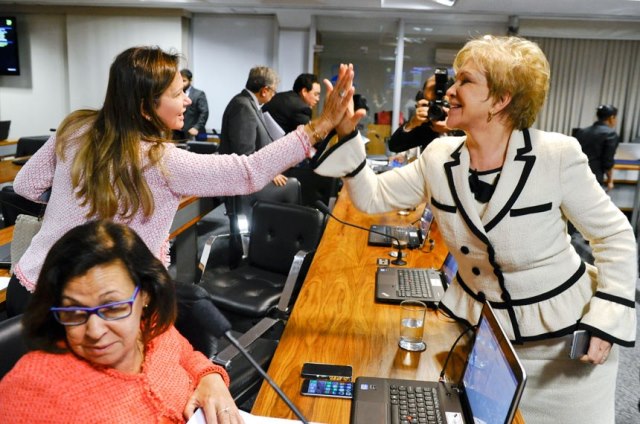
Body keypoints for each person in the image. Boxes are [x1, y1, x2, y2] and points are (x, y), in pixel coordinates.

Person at [314, 35, 636, 423]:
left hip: (563, 348)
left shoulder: (556, 155)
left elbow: (614, 236)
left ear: (500, 100)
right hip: (488, 347)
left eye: (465, 81)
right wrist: (347, 134)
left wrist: (606, 318)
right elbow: (372, 196)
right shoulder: (439, 156)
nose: (450, 90)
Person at [5, 46, 357, 317]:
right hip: (88, 313)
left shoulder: (74, 128)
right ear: (145, 108)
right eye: (177, 93)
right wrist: (319, 127)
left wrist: (74, 206)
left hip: (31, 289)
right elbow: (248, 172)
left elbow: (26, 187)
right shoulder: (161, 160)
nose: (187, 99)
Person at [0, 220, 242, 423]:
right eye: (74, 312)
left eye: (113, 308)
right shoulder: (31, 387)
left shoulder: (152, 326)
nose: (94, 331)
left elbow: (185, 354)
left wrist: (209, 378)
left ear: (145, 295)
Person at [387, 75, 451, 154]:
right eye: (432, 103)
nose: (438, 109)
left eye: (444, 103)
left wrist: (453, 128)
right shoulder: (426, 123)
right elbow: (394, 146)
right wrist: (412, 124)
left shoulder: (462, 122)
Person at [575, 104, 619, 191]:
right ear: (611, 118)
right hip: (594, 176)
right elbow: (608, 160)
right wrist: (610, 180)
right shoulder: (610, 134)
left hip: (576, 174)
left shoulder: (581, 132)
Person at [173, 68, 209, 141]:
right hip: (178, 133)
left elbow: (204, 112)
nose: (182, 83)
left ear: (190, 80)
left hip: (193, 133)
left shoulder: (199, 94)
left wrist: (196, 127)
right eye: (180, 80)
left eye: (184, 81)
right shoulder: (176, 93)